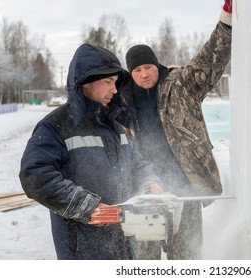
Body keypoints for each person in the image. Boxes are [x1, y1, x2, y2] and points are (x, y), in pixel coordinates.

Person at [19, 43, 164, 260]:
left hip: (123, 245)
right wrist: (86, 206)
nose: (114, 90)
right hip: (83, 251)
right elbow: (35, 175)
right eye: (108, 82)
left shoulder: (114, 125)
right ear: (85, 83)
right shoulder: (55, 126)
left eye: (115, 83)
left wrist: (149, 181)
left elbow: (138, 163)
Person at [119, 0, 232, 259]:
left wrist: (226, 22)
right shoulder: (120, 101)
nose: (144, 74)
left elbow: (210, 60)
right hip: (144, 193)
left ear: (156, 65)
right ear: (131, 73)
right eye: (137, 69)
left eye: (148, 67)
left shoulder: (181, 85)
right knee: (144, 262)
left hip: (184, 189)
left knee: (187, 258)